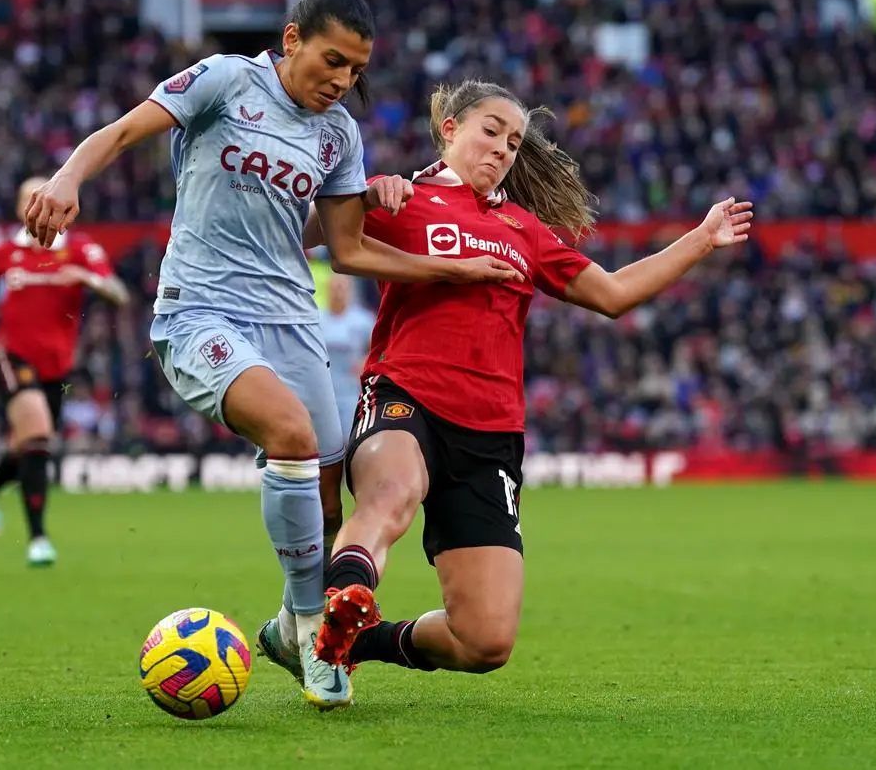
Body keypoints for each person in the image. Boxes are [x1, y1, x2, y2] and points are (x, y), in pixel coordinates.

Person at [21, 0, 519, 709]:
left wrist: (448, 265)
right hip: (201, 310)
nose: (341, 79)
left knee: (327, 487)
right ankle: (317, 627)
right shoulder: (225, 80)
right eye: (331, 60)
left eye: (355, 69)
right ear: (292, 40)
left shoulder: (337, 134)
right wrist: (68, 177)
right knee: (288, 434)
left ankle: (290, 630)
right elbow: (123, 131)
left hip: (291, 318)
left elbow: (347, 251)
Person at [292, 79, 753, 677]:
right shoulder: (405, 201)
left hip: (491, 432)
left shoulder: (524, 230)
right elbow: (299, 238)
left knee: (484, 642)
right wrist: (363, 201)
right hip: (407, 395)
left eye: (513, 142)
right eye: (492, 131)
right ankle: (335, 604)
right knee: (391, 493)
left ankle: (356, 640)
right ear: (450, 128)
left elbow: (612, 294)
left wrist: (700, 239)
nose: (504, 149)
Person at [0, 176, 128, 567]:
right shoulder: (8, 251)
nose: (37, 206)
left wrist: (87, 279)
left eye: (43, 197)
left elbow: (119, 294)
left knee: (30, 445)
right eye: (28, 200)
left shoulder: (80, 250)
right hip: (11, 356)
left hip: (57, 368)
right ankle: (38, 539)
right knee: (37, 434)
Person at [319, 274, 375, 445]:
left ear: (350, 290)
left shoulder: (364, 320)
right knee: (325, 443)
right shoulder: (316, 319)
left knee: (351, 439)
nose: (338, 292)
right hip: (324, 389)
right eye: (334, 287)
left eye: (342, 287)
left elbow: (377, 349)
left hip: (352, 390)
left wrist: (365, 361)